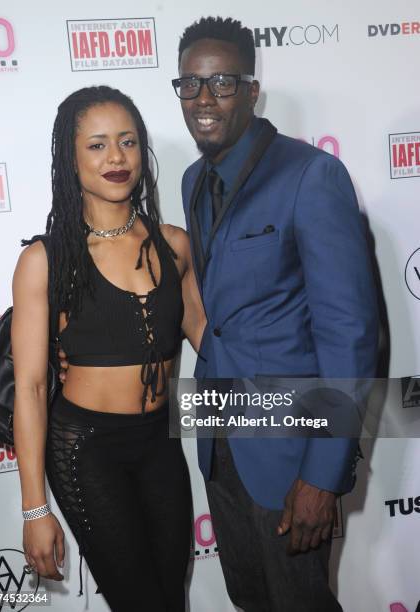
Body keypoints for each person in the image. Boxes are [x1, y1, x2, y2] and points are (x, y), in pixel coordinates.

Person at [172, 17, 379, 612]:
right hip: (220, 443)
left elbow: (350, 334)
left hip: (292, 454)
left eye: (221, 82)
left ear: (252, 90)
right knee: (249, 599)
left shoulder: (310, 176)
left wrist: (323, 473)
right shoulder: (192, 181)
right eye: (189, 83)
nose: (203, 99)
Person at [11, 85, 205, 612]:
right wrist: (35, 510)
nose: (116, 157)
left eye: (128, 141)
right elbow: (29, 387)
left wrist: (302, 409)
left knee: (172, 597)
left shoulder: (175, 245)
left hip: (160, 442)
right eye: (97, 145)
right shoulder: (46, 260)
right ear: (69, 159)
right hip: (86, 450)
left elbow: (211, 340)